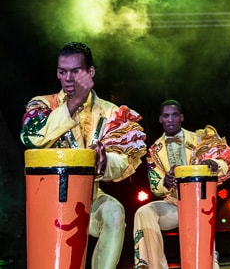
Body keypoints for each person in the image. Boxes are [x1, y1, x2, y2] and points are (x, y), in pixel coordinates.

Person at [20, 41, 147, 269]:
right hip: (49, 200)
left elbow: (123, 160)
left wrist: (104, 161)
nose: (68, 78)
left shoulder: (111, 112)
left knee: (115, 212)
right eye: (62, 71)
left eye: (75, 71)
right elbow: (32, 137)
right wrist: (76, 100)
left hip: (90, 197)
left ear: (90, 72)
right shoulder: (43, 104)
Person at [133, 99, 230, 269]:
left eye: (174, 115)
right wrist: (165, 181)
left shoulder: (199, 139)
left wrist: (215, 164)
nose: (170, 119)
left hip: (198, 203)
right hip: (173, 204)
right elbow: (155, 186)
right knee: (144, 212)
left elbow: (223, 161)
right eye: (166, 116)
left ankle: (209, 262)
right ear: (160, 119)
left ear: (181, 117)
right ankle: (152, 265)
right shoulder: (155, 150)